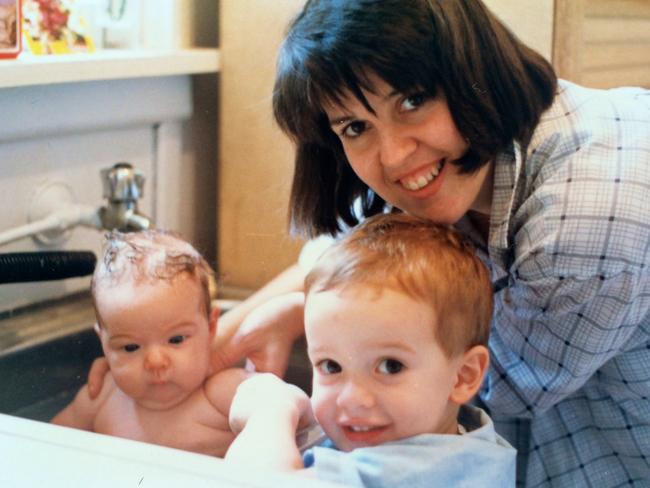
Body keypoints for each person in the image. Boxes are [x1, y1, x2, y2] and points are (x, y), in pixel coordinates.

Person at [89, 0, 650, 485]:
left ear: (471, 66)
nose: (393, 157)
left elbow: (494, 387)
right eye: (355, 127)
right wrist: (169, 362)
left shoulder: (589, 209)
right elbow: (333, 258)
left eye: (412, 100)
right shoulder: (443, 168)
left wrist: (270, 410)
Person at [225, 213, 516, 486]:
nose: (352, 399)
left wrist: (270, 412)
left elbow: (253, 482)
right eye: (331, 366)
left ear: (463, 376)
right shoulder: (469, 445)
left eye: (390, 366)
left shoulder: (409, 471)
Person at [52, 230, 248, 457]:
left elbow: (277, 406)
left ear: (211, 327)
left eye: (176, 340)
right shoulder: (101, 397)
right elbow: (42, 445)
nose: (155, 362)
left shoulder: (222, 394)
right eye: (130, 347)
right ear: (103, 343)